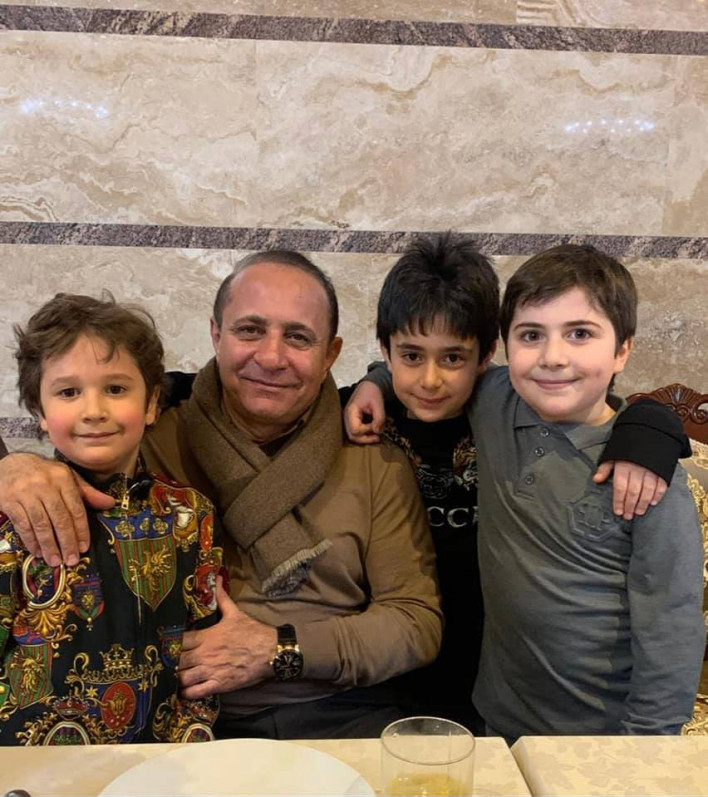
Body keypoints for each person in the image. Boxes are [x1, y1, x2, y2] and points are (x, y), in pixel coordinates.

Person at [0, 253, 442, 740]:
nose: (270, 357)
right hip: (180, 721)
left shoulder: (374, 462)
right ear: (216, 334)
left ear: (330, 354)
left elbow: (414, 624)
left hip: (340, 712)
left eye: (298, 337)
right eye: (250, 330)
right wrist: (14, 467)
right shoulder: (150, 438)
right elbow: (79, 436)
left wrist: (279, 649)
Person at [348, 244, 704, 740]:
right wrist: (375, 382)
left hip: (602, 734)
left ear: (622, 350)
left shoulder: (646, 479)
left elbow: (671, 624)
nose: (553, 357)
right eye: (532, 335)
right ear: (504, 348)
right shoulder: (495, 399)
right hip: (495, 720)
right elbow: (427, 359)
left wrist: (646, 744)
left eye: (580, 334)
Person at [0, 294, 223, 745]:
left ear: (152, 403)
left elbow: (202, 653)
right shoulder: (15, 516)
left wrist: (193, 745)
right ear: (40, 412)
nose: (94, 410)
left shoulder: (190, 514)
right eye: (68, 392)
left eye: (116, 389)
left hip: (158, 762)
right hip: (31, 763)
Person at [338, 234, 498, 732]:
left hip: (486, 664)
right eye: (411, 356)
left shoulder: (511, 413)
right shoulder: (351, 413)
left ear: (486, 355)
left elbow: (605, 412)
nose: (430, 380)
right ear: (385, 349)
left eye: (452, 358)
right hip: (381, 671)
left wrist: (651, 428)